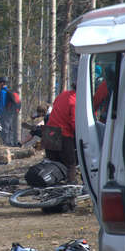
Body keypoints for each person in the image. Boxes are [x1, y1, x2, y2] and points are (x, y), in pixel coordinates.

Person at [44, 83, 77, 212]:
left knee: (52, 166)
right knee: (70, 165)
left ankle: (50, 199)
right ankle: (70, 199)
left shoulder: (63, 95)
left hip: (49, 132)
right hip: (63, 134)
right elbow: (74, 123)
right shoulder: (75, 101)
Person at [0, 76, 16, 146]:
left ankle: (6, 144)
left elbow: (2, 104)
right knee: (9, 128)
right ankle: (10, 143)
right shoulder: (8, 91)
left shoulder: (3, 92)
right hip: (10, 113)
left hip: (5, 113)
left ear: (2, 83)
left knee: (5, 128)